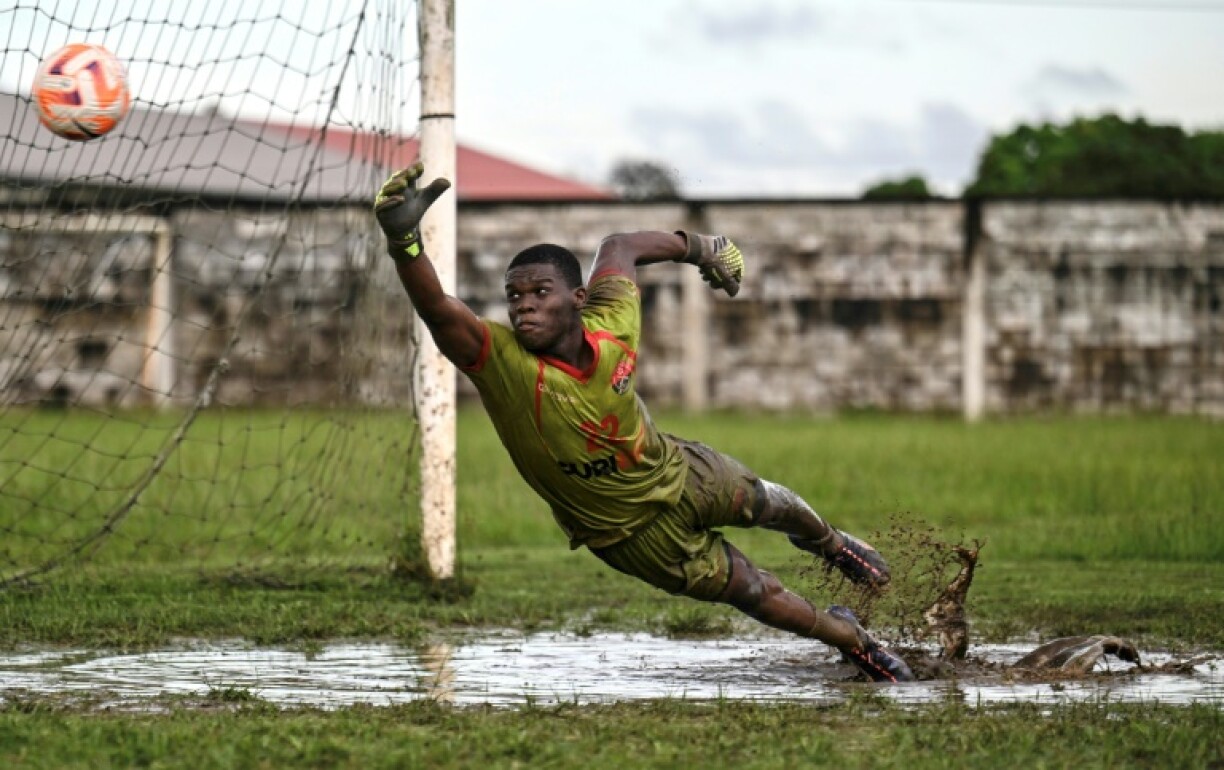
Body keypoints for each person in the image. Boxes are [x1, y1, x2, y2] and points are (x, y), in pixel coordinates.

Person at [373, 163, 914, 683]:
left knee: (768, 501)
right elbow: (440, 310)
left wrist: (704, 248)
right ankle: (857, 644)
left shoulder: (612, 321)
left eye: (540, 292)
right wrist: (405, 242)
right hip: (631, 533)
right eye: (515, 296)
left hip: (678, 467)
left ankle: (832, 545)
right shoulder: (503, 363)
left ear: (578, 299)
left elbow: (620, 246)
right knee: (753, 590)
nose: (524, 308)